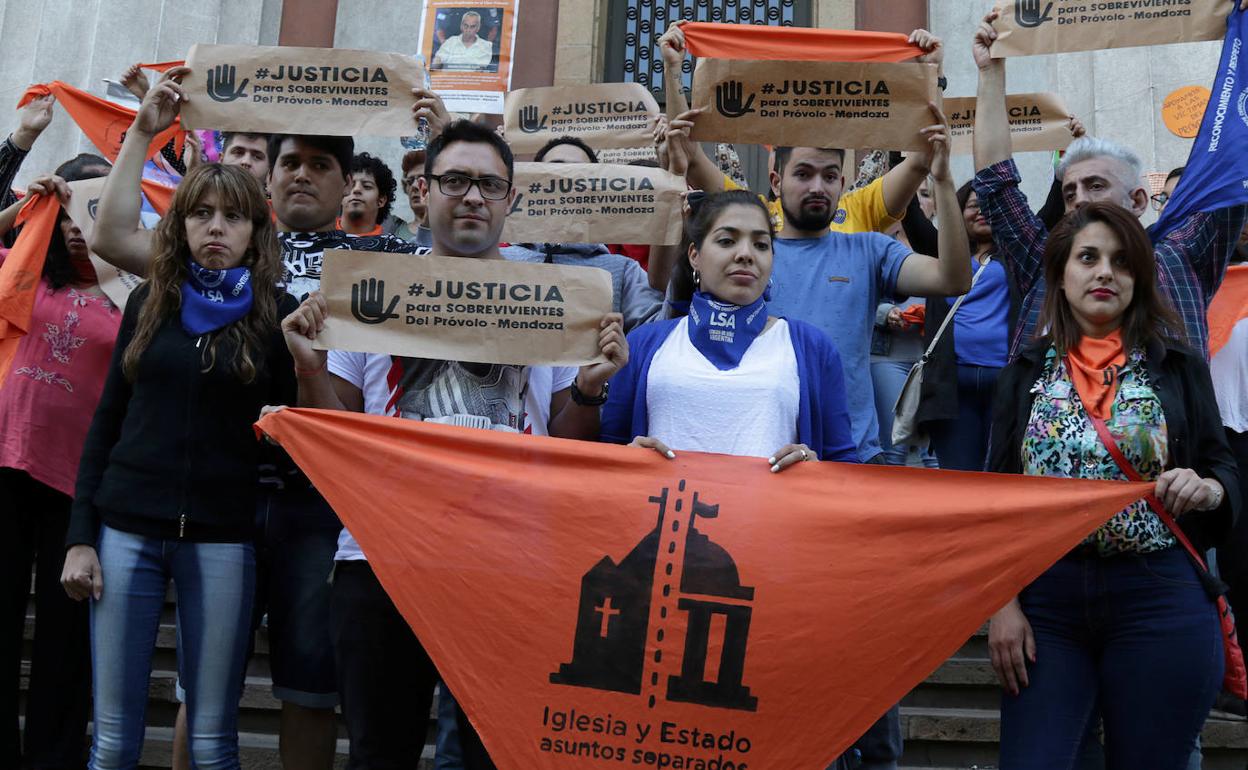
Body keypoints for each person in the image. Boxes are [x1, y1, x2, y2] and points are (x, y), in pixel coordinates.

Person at [87, 66, 451, 770]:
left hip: (313, 505)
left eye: (323, 165)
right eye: (291, 162)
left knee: (308, 687)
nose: (304, 175)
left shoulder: (387, 259)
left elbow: (459, 255)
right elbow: (111, 237)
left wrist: (435, 141)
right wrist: (143, 129)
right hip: (216, 495)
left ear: (349, 184)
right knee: (204, 684)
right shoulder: (225, 257)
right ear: (268, 178)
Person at [277, 118, 627, 770]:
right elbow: (339, 437)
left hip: (509, 564)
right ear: (424, 191)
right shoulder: (367, 291)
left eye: (489, 185)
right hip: (382, 562)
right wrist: (308, 367)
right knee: (380, 754)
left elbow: (567, 436)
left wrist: (589, 388)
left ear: (510, 201)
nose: (473, 197)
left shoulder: (551, 302)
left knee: (499, 756)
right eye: (456, 180)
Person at [59, 162, 297, 770]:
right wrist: (81, 537)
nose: (216, 228)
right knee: (112, 742)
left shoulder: (277, 314)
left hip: (221, 537)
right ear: (180, 224)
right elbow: (108, 421)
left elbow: (295, 435)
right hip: (126, 532)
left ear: (255, 231)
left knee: (214, 742)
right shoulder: (149, 299)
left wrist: (307, 360)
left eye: (233, 216)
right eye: (201, 213)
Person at [985, 202, 1238, 769]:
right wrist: (1002, 605)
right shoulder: (1024, 371)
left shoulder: (1178, 366)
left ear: (1139, 278)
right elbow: (995, 498)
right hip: (1046, 606)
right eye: (1088, 257)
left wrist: (1208, 489)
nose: (1104, 272)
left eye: (1122, 262)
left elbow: (1224, 472)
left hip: (1159, 599)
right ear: (1061, 273)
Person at [972, 10, 1248, 361]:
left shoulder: (1183, 258)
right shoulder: (1045, 263)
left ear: (1137, 200)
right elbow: (997, 185)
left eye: (1096, 185)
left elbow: (1231, 163)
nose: (1079, 200)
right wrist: (989, 72)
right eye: (1070, 192)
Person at [602, 188, 857, 469]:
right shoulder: (642, 344)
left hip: (771, 514)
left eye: (761, 245)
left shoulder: (813, 347)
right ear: (694, 255)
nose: (746, 254)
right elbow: (607, 454)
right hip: (665, 511)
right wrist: (626, 455)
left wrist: (815, 466)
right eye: (727, 241)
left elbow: (845, 465)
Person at [0, 146, 113, 768]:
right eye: (67, 207)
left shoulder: (132, 294)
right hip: (5, 467)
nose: (77, 222)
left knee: (64, 647)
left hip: (79, 489)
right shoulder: (18, 270)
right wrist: (24, 208)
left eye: (93, 206)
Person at [503, 135, 663, 331]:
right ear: (535, 181)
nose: (568, 179)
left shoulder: (623, 271)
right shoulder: (498, 260)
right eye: (557, 168)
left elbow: (662, 330)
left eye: (581, 173)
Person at [340, 152, 396, 237]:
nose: (356, 189)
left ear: (381, 200)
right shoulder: (318, 236)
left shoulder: (393, 247)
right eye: (350, 185)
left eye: (367, 186)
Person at [392, 149, 432, 246]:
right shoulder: (394, 229)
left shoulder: (452, 231)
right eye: (410, 181)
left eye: (422, 179)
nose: (414, 186)